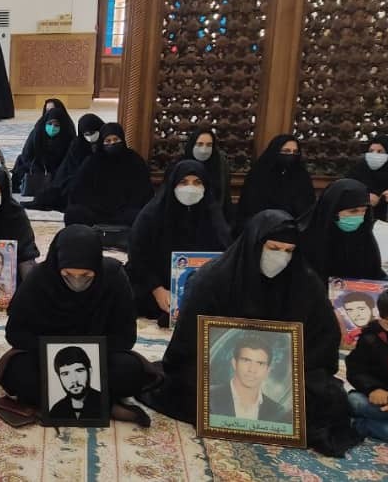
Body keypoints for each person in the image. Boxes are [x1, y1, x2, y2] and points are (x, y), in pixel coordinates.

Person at [140, 210, 363, 456]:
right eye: (274, 248)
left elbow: (322, 340)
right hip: (216, 369)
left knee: (325, 398)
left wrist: (292, 371)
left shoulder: (305, 283)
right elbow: (187, 342)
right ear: (254, 243)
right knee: (192, 391)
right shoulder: (214, 278)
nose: (281, 257)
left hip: (283, 374)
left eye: (289, 251)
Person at [0, 225, 159, 426]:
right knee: (20, 374)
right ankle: (103, 405)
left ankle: (65, 403)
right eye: (68, 275)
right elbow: (15, 333)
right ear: (57, 265)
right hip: (47, 360)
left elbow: (126, 337)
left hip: (97, 361)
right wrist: (51, 349)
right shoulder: (40, 278)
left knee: (130, 372)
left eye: (86, 276)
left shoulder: (113, 277)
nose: (77, 281)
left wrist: (92, 350)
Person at [128, 161, 231, 326]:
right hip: (156, 287)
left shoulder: (212, 215)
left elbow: (224, 255)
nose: (190, 188)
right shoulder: (152, 215)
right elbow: (138, 257)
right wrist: (157, 289)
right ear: (173, 184)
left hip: (200, 288)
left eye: (197, 182)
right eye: (183, 182)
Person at [346, 287, 388, 445]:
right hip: (383, 401)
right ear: (385, 323)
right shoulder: (371, 339)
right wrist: (373, 388)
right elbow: (356, 369)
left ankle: (364, 425)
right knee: (354, 400)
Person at [296, 179, 386, 280]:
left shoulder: (364, 237)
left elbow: (375, 273)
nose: (360, 218)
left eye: (364, 211)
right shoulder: (306, 239)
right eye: (353, 211)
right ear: (333, 210)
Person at [66, 123, 153, 227]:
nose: (112, 143)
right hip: (96, 212)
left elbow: (143, 190)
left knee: (142, 215)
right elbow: (79, 189)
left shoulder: (134, 160)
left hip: (125, 212)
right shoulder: (92, 161)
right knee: (73, 213)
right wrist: (96, 205)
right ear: (101, 142)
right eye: (108, 141)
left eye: (116, 140)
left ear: (122, 139)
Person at [235, 135, 315, 230]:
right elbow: (250, 208)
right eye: (286, 151)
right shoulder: (259, 174)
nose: (291, 155)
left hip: (294, 229)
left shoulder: (302, 175)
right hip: (263, 227)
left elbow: (307, 209)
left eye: (295, 152)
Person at [26, 113, 105, 207]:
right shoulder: (78, 145)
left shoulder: (107, 141)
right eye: (87, 134)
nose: (90, 137)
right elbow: (69, 169)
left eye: (92, 133)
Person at [208, 334, 289, 423]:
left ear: (267, 371)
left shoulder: (278, 412)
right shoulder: (209, 396)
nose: (252, 369)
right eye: (246, 360)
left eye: (260, 363)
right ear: (234, 364)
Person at [347, 134, 388, 222]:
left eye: (380, 151)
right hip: (359, 225)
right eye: (371, 151)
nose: (374, 155)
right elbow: (343, 194)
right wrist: (362, 197)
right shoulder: (359, 170)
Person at [14, 107, 76, 197]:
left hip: (59, 169)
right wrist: (38, 169)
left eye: (56, 125)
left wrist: (56, 173)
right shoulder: (37, 133)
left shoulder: (67, 136)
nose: (52, 127)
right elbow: (27, 155)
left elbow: (68, 160)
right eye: (49, 124)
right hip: (36, 167)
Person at [176, 130, 233, 220]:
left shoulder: (219, 164)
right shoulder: (181, 164)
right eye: (200, 144)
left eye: (209, 145)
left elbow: (224, 197)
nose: (204, 149)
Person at [47, 347, 103, 420]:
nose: (74, 380)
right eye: (65, 374)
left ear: (90, 371)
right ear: (59, 377)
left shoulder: (104, 402)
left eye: (79, 371)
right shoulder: (56, 411)